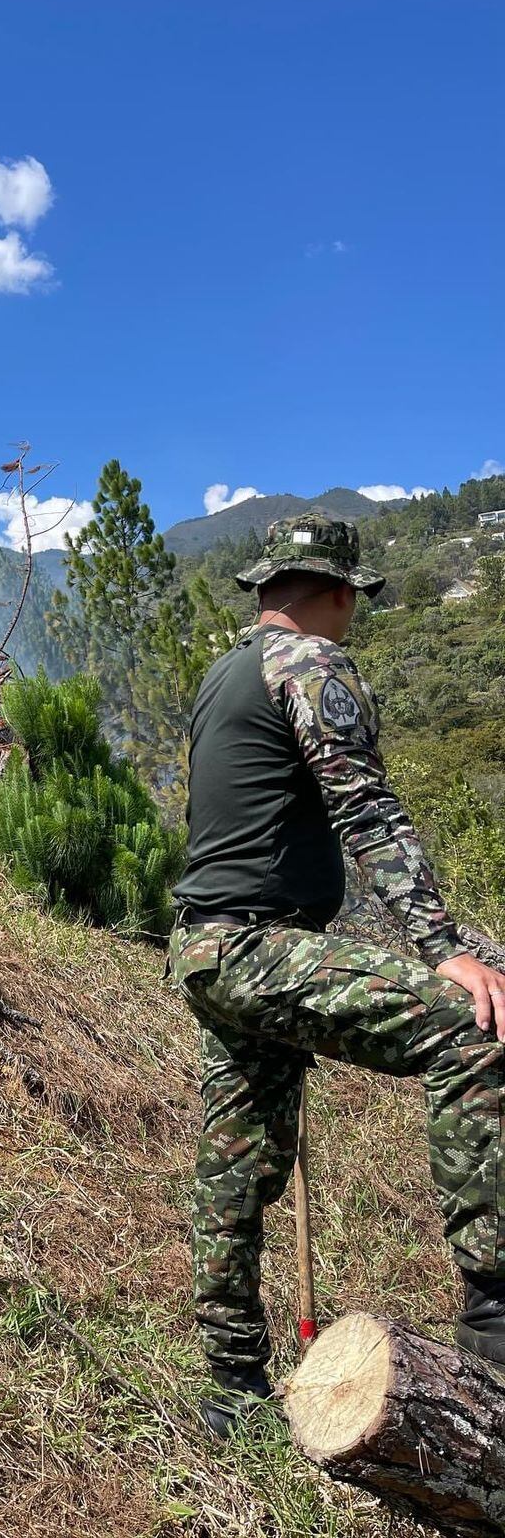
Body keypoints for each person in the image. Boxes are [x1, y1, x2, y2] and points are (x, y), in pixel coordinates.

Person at [168, 512, 505, 1437]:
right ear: (339, 594)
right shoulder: (310, 665)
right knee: (471, 1026)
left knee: (235, 1162)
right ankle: (496, 1320)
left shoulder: (221, 677)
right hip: (260, 949)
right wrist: (448, 949)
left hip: (207, 948)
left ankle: (231, 1387)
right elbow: (367, 812)